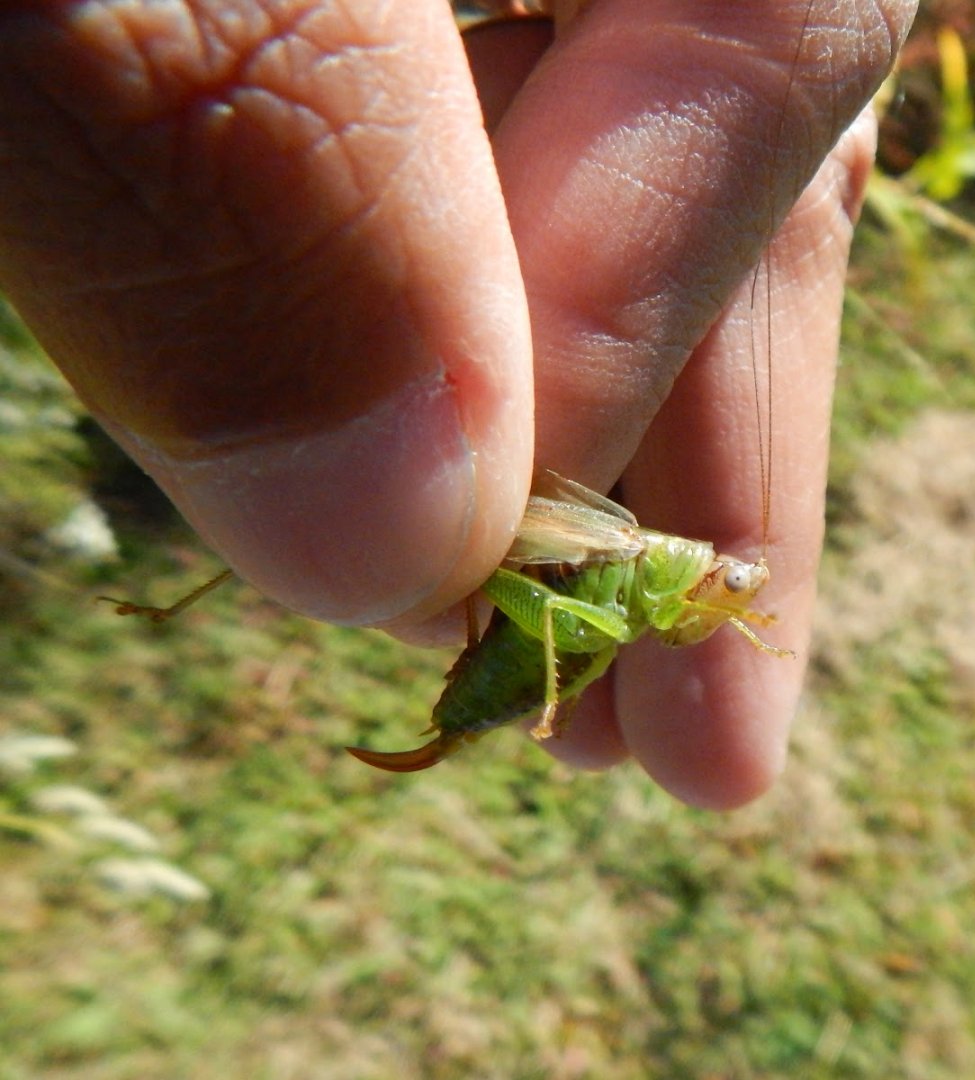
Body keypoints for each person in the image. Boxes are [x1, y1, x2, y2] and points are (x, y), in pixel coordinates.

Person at [0, 0, 915, 808]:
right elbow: (582, 615)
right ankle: (175, 606)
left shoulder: (667, 584)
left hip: (554, 606)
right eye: (732, 590)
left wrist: (729, 623)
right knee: (415, 533)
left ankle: (473, 713)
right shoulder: (642, 555)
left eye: (732, 595)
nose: (732, 600)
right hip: (527, 569)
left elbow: (646, 624)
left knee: (550, 614)